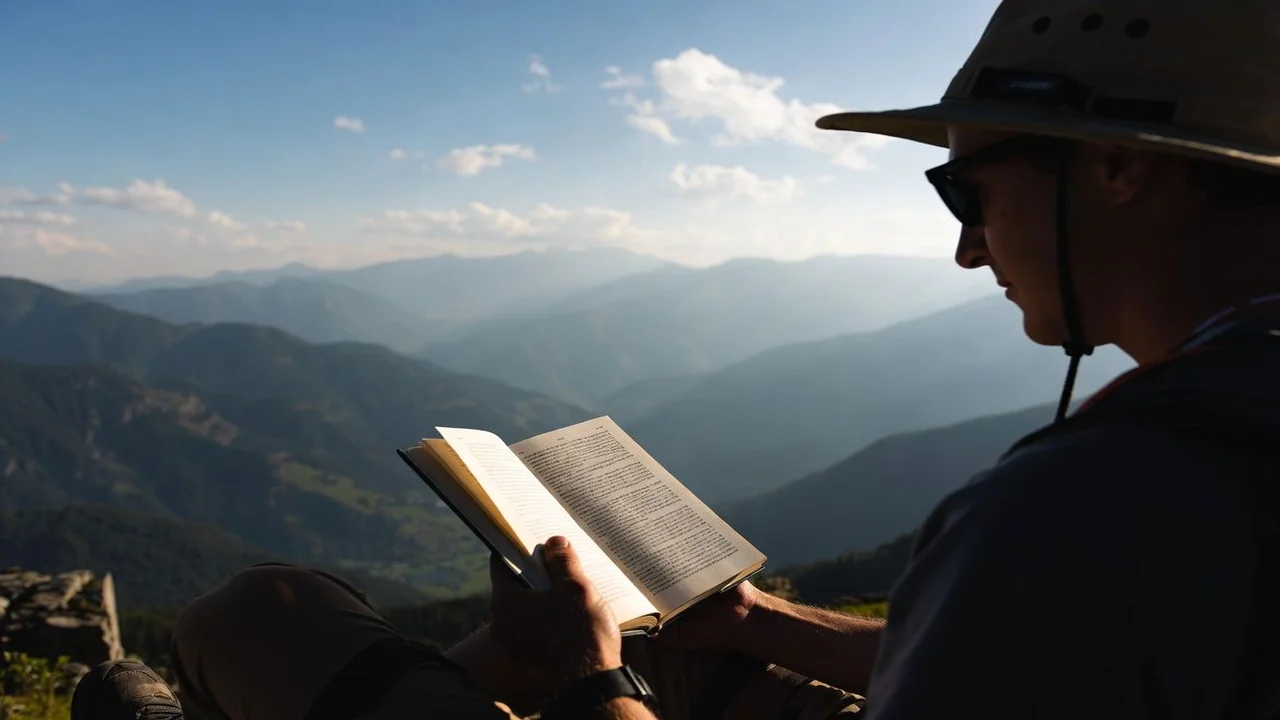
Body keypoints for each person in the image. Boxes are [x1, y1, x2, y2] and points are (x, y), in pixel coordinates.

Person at [73, 0, 1280, 716]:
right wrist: (756, 616)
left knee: (264, 611)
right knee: (673, 651)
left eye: (964, 187)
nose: (966, 249)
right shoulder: (1195, 459)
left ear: (1118, 169)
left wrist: (592, 683)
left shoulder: (1081, 513)